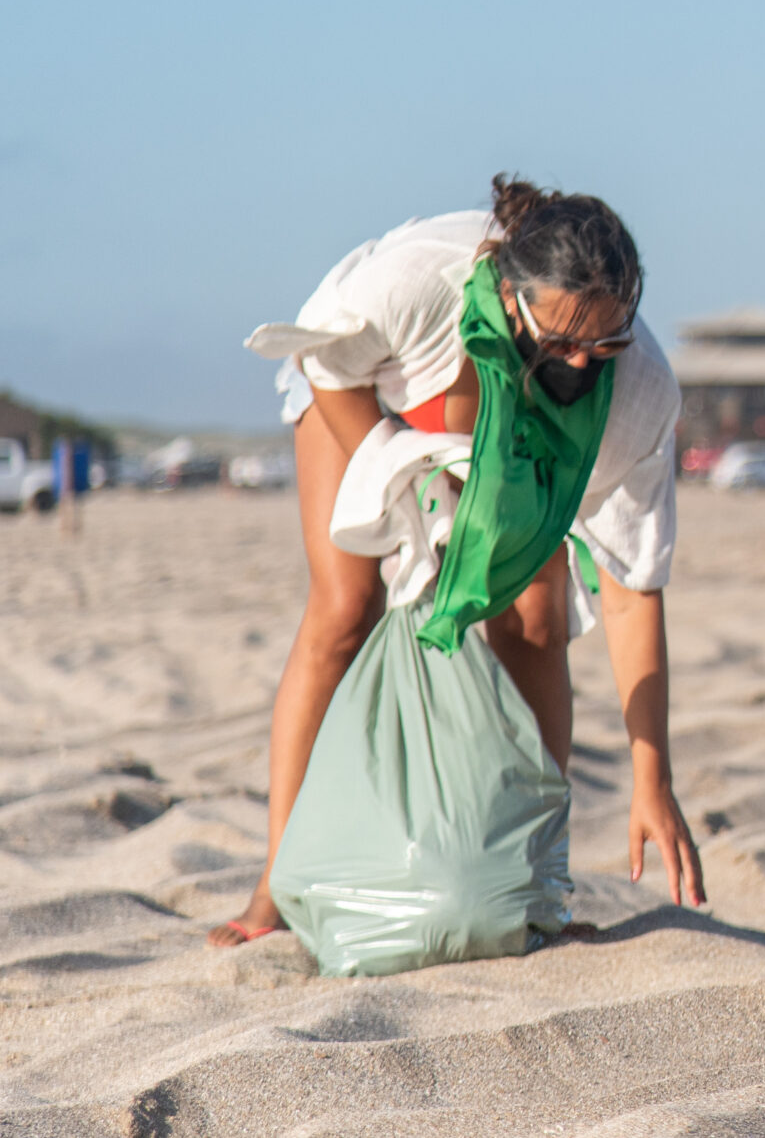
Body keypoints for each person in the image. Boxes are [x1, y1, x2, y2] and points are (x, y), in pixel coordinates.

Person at [212, 177, 706, 945]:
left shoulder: (637, 390)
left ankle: (530, 880)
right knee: (345, 611)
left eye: (603, 343)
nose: (582, 361)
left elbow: (632, 587)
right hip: (366, 390)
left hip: (507, 451)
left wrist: (654, 778)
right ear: (512, 297)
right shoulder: (414, 284)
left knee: (537, 617)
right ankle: (277, 882)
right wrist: (413, 484)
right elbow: (328, 368)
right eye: (561, 340)